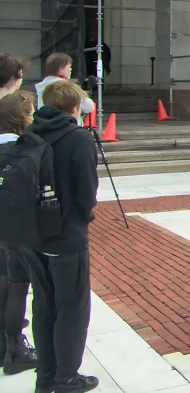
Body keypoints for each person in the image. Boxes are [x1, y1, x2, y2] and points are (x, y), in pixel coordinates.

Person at [23, 80, 100, 393]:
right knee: (72, 305)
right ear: (73, 107)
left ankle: (46, 373)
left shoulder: (29, 135)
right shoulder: (77, 138)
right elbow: (87, 191)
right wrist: (84, 214)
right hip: (67, 233)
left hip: (32, 234)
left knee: (43, 304)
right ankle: (67, 375)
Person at [0, 91, 39, 375]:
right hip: (18, 229)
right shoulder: (24, 149)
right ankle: (15, 348)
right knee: (18, 284)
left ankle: (5, 345)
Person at [34, 53, 94, 126]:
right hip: (68, 128)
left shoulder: (41, 87)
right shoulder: (66, 87)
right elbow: (89, 106)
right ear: (61, 69)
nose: (71, 69)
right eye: (69, 66)